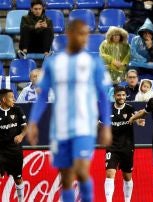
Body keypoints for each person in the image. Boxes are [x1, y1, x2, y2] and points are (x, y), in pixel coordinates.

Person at [27, 20, 112, 202]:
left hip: (84, 128)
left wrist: (107, 125)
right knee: (66, 178)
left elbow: (104, 96)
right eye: (80, 33)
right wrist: (33, 122)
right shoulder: (54, 63)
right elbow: (42, 96)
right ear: (69, 34)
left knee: (81, 171)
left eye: (86, 34)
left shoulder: (93, 62)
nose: (84, 38)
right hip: (60, 129)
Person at [104, 86, 145, 202]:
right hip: (112, 147)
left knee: (127, 177)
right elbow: (99, 124)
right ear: (114, 96)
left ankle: (127, 200)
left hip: (127, 147)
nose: (121, 97)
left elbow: (138, 119)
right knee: (110, 173)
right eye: (119, 95)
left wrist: (139, 121)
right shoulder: (107, 109)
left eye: (123, 95)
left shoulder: (130, 109)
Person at [0, 89, 27, 202]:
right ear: (3, 99)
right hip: (0, 150)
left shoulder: (17, 110)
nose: (14, 99)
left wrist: (21, 135)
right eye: (11, 97)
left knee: (18, 178)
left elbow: (25, 128)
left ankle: (21, 200)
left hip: (14, 150)